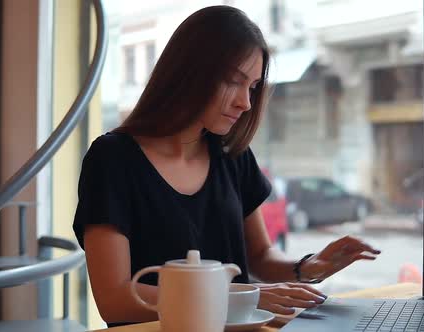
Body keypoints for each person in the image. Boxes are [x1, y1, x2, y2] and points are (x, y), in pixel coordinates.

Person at [73, 5, 381, 327]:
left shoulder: (232, 155)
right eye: (233, 81)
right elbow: (115, 301)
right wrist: (245, 297)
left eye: (252, 87)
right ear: (188, 71)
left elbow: (261, 257)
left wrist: (308, 267)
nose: (245, 103)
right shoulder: (112, 160)